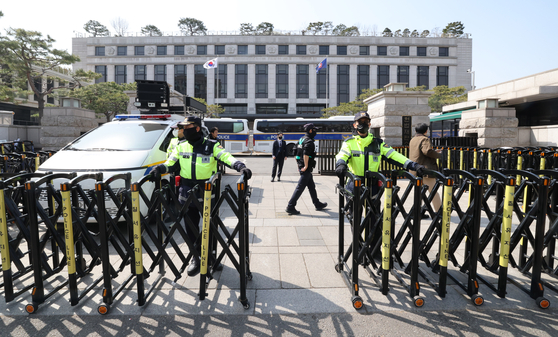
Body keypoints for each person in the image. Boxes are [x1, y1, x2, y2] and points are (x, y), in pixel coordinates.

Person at [152, 116, 252, 276]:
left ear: (197, 128)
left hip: (207, 193)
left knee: (210, 227)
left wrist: (240, 166)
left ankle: (211, 257)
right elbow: (171, 163)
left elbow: (225, 157)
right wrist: (160, 169)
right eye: (183, 127)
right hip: (186, 193)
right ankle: (196, 258)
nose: (184, 130)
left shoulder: (211, 145)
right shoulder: (181, 146)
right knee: (190, 228)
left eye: (187, 127)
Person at [335, 111, 425, 197]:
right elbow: (342, 155)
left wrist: (413, 165)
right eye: (360, 122)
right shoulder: (349, 143)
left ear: (369, 125)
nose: (363, 124)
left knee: (373, 212)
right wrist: (341, 164)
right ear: (355, 125)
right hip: (354, 183)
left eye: (366, 122)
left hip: (373, 184)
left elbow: (394, 155)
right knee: (354, 212)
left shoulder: (378, 143)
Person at [285, 123, 328, 215]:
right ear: (310, 130)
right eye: (314, 129)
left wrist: (299, 165)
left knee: (311, 186)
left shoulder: (301, 139)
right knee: (300, 188)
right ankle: (290, 206)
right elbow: (305, 154)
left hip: (302, 167)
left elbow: (295, 153)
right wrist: (306, 166)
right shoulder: (309, 141)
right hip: (306, 168)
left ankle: (317, 203)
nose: (316, 131)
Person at [409, 123, 442, 214]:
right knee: (433, 192)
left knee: (418, 193)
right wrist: (438, 154)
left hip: (414, 171)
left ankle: (417, 212)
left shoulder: (412, 140)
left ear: (415, 131)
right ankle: (439, 212)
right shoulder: (425, 139)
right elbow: (427, 151)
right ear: (426, 131)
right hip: (425, 170)